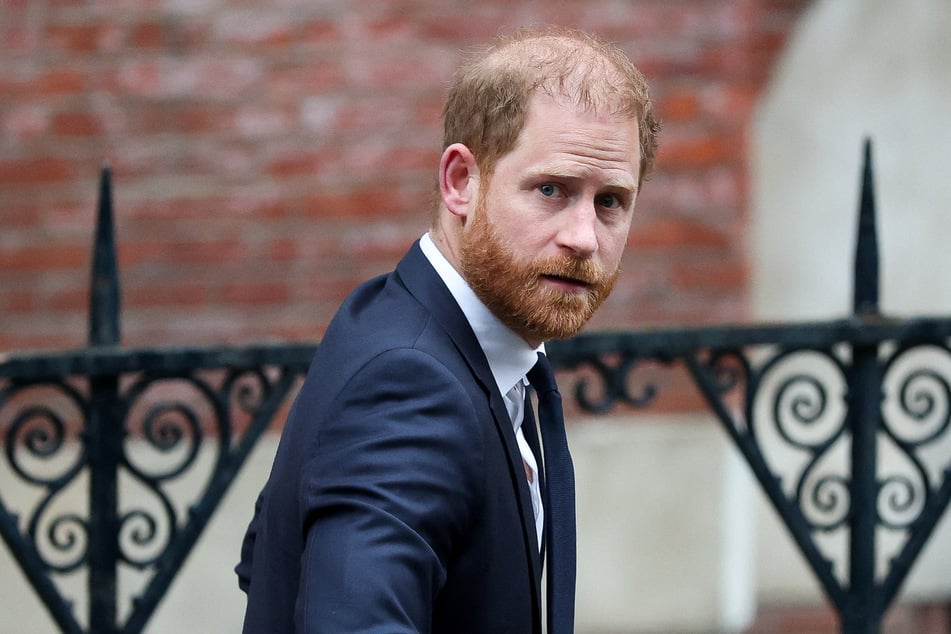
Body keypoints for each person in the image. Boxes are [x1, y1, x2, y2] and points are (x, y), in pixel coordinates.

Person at [236, 24, 659, 633]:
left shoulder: (399, 318)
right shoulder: (408, 381)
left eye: (611, 201)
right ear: (461, 182)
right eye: (551, 189)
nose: (584, 237)